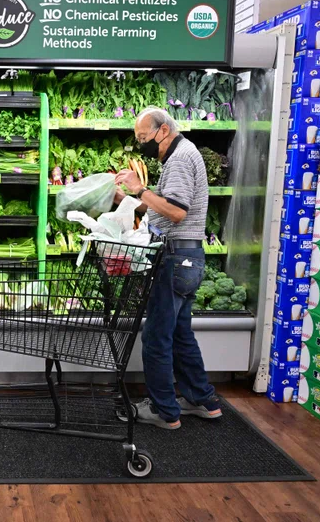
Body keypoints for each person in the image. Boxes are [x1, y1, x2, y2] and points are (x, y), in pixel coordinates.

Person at [113, 107, 222, 430]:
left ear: (163, 131)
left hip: (175, 257)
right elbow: (167, 206)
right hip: (188, 258)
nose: (141, 145)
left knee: (157, 336)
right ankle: (202, 399)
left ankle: (164, 410)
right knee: (180, 333)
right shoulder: (183, 155)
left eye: (143, 138)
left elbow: (176, 213)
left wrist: (139, 189)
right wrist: (128, 199)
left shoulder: (179, 159)